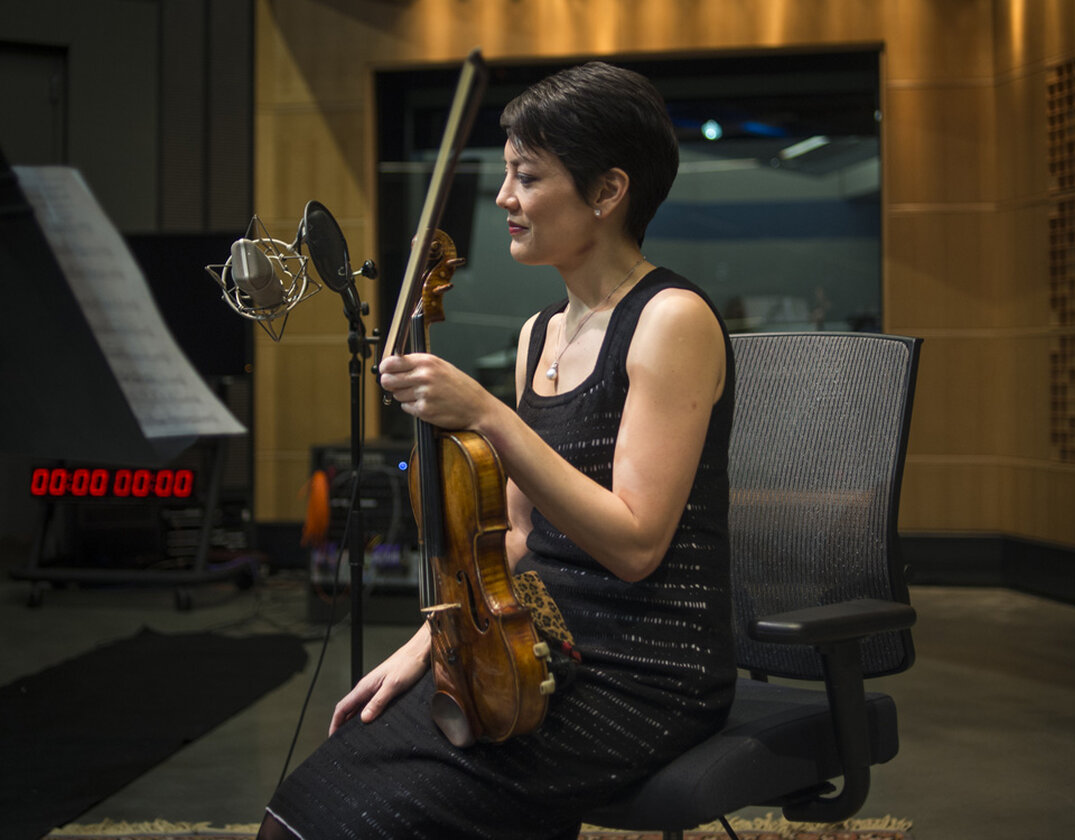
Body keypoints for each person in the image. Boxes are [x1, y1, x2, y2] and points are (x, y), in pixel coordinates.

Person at [258, 61, 736, 840]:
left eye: (527, 176)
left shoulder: (669, 320)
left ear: (608, 192)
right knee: (307, 804)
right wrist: (429, 643)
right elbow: (512, 538)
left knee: (369, 820)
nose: (504, 199)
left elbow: (637, 545)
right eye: (506, 174)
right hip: (529, 642)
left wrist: (487, 413)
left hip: (646, 671)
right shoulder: (539, 333)